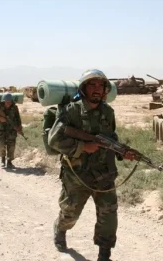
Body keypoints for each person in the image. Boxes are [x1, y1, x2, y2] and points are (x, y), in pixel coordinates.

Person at [48, 69, 135, 261]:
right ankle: (60, 229)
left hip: (104, 174)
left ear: (105, 90)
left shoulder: (108, 112)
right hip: (77, 174)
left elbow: (110, 138)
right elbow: (54, 141)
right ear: (84, 88)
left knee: (109, 216)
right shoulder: (71, 111)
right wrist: (82, 146)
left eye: (100, 86)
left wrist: (122, 152)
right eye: (92, 85)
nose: (97, 89)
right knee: (70, 214)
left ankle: (104, 254)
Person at [0, 92, 22, 169]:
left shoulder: (14, 108)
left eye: (10, 102)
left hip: (11, 130)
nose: (8, 103)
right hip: (1, 130)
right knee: (1, 145)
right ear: (3, 101)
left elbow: (18, 118)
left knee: (11, 146)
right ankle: (2, 160)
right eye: (7, 102)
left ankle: (9, 162)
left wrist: (19, 127)